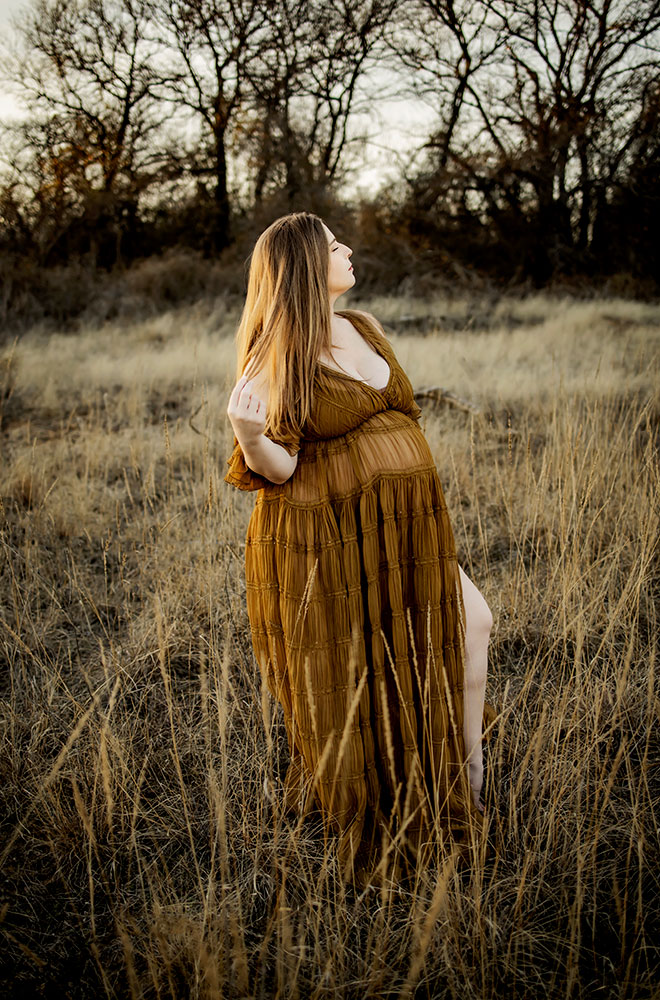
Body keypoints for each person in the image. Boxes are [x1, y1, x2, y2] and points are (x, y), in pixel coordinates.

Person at [224, 211, 497, 885]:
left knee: (472, 625)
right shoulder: (274, 356)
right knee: (362, 668)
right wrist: (250, 435)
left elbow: (399, 411)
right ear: (302, 268)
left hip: (407, 524)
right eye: (332, 245)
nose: (346, 249)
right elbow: (277, 467)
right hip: (331, 533)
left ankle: (464, 785)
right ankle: (403, 795)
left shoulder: (360, 326)